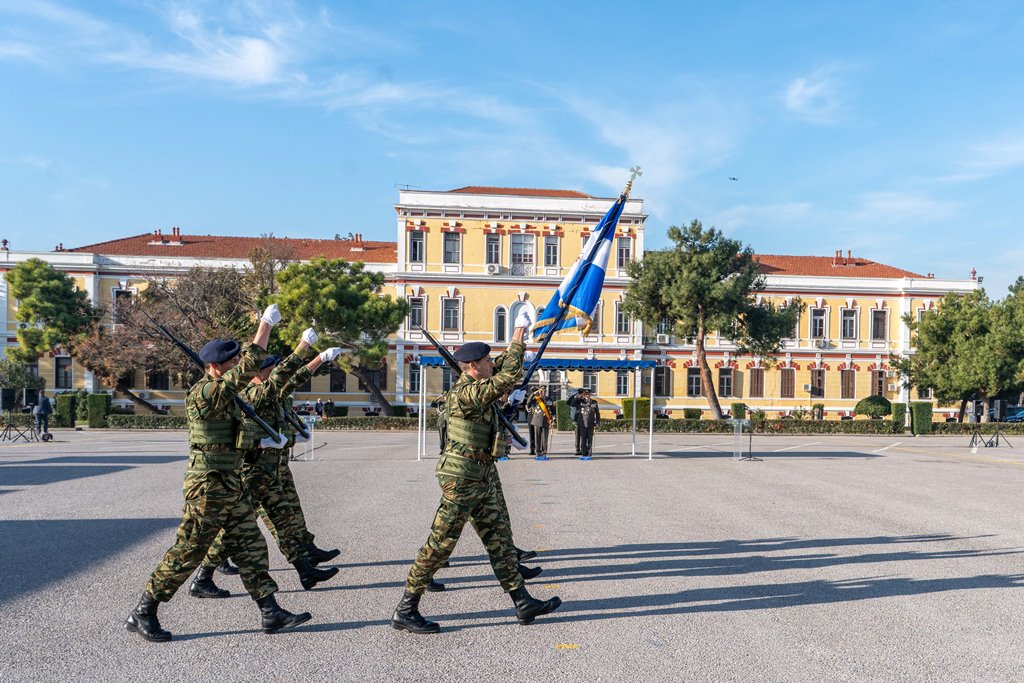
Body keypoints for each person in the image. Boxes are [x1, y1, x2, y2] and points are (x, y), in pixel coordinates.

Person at [125, 304, 311, 643]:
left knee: (251, 544)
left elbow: (231, 438)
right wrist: (265, 325)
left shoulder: (226, 397)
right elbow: (249, 367)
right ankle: (144, 611)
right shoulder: (206, 393)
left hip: (230, 481)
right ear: (214, 367)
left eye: (236, 361)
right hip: (207, 485)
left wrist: (263, 443)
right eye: (231, 363)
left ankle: (270, 611)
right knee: (189, 549)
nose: (236, 366)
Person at [392, 309, 561, 634]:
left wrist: (518, 343)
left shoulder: (477, 385)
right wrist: (518, 334)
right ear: (472, 366)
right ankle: (406, 609)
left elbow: (503, 371)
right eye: (486, 361)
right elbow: (506, 378)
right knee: (440, 544)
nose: (491, 364)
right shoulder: (465, 393)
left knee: (500, 539)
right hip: (462, 479)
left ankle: (522, 602)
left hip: (481, 474)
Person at [191, 327, 342, 598]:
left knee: (284, 519)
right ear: (258, 373)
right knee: (238, 530)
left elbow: (290, 379)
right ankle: (203, 575)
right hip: (253, 471)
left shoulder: (268, 391)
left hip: (270, 469)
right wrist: (306, 349)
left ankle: (305, 570)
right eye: (270, 369)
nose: (274, 372)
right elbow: (285, 378)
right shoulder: (252, 394)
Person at [569, 389, 601, 460]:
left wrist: (598, 422)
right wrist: (579, 396)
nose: (587, 396)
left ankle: (589, 452)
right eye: (585, 394)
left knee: (590, 439)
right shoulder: (580, 401)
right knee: (583, 439)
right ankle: (584, 453)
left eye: (588, 394)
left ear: (590, 395)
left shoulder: (594, 403)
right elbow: (572, 403)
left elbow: (597, 414)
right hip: (582, 423)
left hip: (590, 423)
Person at [526, 388, 551, 458]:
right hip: (537, 420)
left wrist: (553, 417)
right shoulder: (535, 399)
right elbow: (528, 403)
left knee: (545, 438)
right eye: (541, 391)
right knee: (537, 437)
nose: (543, 393)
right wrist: (533, 394)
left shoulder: (548, 399)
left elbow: (552, 408)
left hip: (545, 420)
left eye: (544, 391)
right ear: (539, 392)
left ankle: (544, 452)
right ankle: (537, 452)